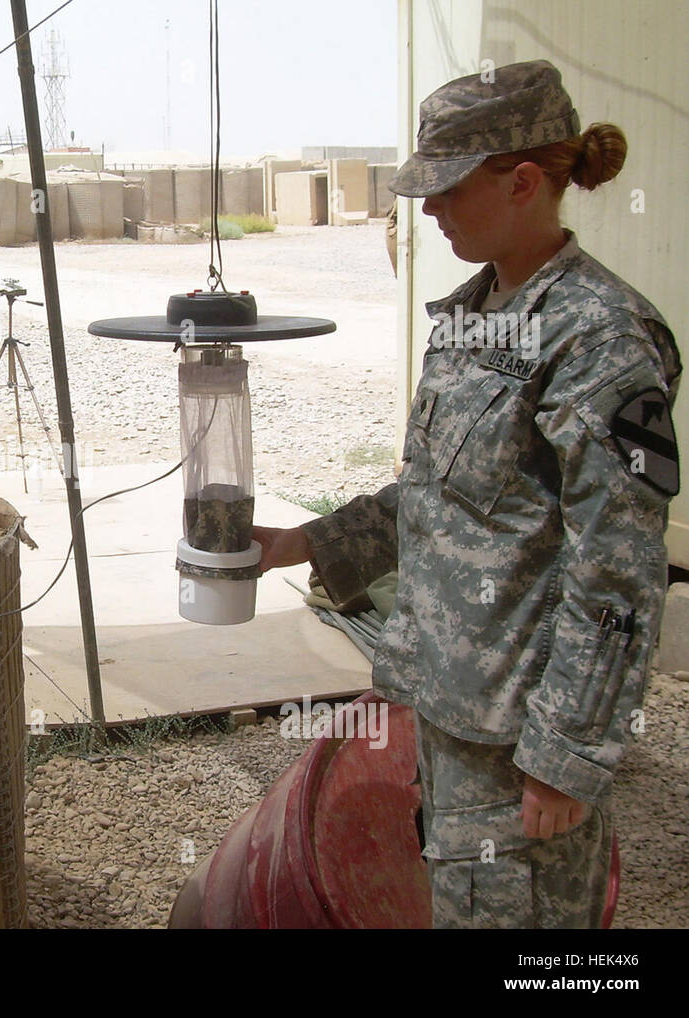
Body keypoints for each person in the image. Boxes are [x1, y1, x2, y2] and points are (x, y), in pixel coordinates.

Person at [252, 60, 680, 928]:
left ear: (523, 181)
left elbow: (619, 568)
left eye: (446, 189)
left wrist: (566, 751)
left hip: (519, 729)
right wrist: (300, 545)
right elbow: (438, 497)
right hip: (451, 702)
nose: (429, 210)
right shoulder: (475, 315)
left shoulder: (599, 336)